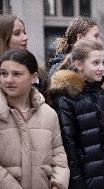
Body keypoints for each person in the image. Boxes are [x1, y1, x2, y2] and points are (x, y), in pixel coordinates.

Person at [49, 39, 104, 189]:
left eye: (103, 63)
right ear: (79, 64)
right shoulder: (65, 98)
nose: (101, 68)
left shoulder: (103, 95)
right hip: (83, 181)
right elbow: (69, 149)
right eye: (95, 63)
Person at [0, 48, 69, 189]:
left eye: (16, 74)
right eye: (3, 74)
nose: (8, 80)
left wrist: (58, 184)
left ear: (33, 77)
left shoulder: (49, 114)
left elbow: (58, 155)